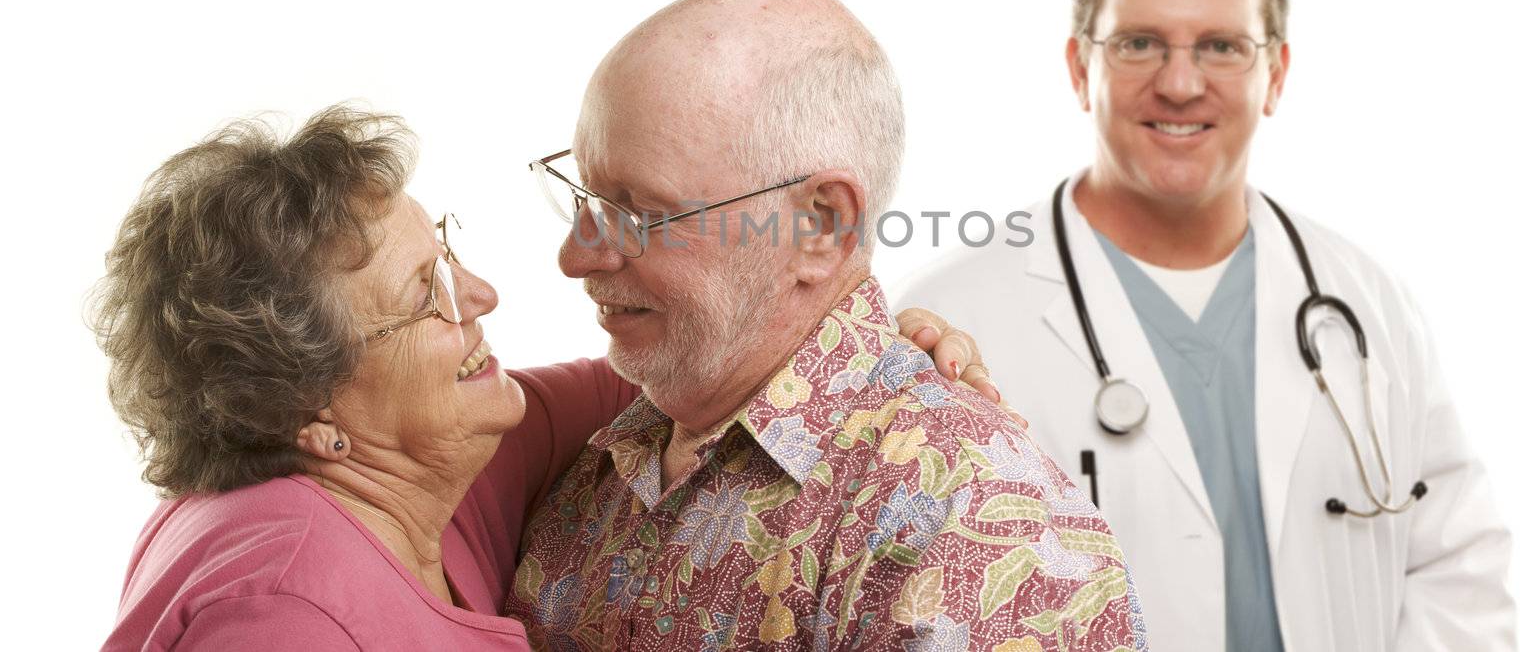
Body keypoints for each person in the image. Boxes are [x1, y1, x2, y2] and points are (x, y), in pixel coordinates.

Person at [96, 106, 989, 650]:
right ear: (309, 408)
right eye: (427, 293)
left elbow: (688, 376)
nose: (481, 293)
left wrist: (871, 343)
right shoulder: (287, 614)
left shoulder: (443, 464)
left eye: (445, 251)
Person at [895, 0, 1515, 651]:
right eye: (1139, 42)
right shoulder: (956, 322)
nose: (1181, 83)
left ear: (1276, 73)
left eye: (1221, 45)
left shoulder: (1369, 305)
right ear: (1078, 67)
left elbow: (1457, 567)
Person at [506, 0, 1144, 650]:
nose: (575, 257)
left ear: (819, 225)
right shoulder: (593, 464)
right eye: (586, 195)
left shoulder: (973, 526)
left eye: (637, 212)